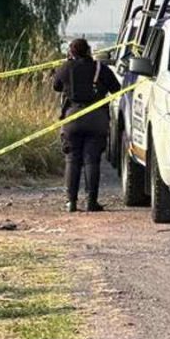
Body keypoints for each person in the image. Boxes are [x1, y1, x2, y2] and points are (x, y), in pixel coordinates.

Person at [53, 38, 121, 212]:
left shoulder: (65, 68)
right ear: (89, 50)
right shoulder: (101, 68)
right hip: (97, 119)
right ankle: (91, 201)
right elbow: (116, 89)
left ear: (72, 52)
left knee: (72, 159)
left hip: (72, 118)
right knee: (92, 160)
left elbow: (57, 87)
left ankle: (71, 202)